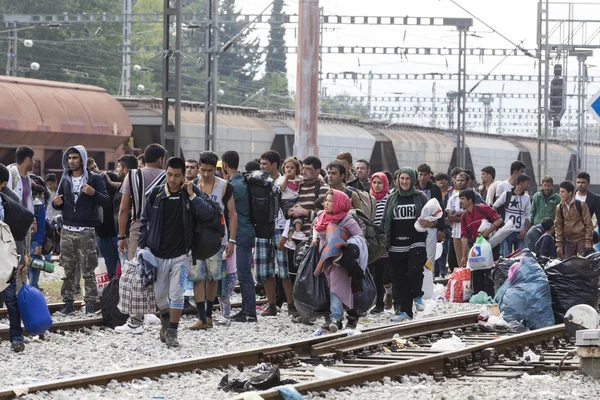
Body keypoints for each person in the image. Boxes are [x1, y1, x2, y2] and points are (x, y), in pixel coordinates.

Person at [138, 157, 214, 347]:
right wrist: (141, 247)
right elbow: (144, 221)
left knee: (177, 294)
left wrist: (193, 196)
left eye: (177, 176)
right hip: (157, 255)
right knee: (160, 296)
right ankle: (165, 319)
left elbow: (207, 214)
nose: (172, 179)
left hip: (182, 255)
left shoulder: (190, 191)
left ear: (184, 176)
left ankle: (172, 330)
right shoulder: (155, 193)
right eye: (169, 175)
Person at [53, 146, 110, 314]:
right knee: (67, 269)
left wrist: (93, 193)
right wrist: (56, 204)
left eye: (75, 158)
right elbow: (59, 202)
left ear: (83, 159)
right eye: (69, 158)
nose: (71, 161)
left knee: (88, 269)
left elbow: (106, 201)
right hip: (67, 229)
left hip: (86, 230)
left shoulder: (95, 179)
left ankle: (90, 304)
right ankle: (68, 303)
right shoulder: (65, 178)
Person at [116, 144, 167, 334]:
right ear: (161, 159)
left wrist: (122, 235)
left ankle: (136, 321)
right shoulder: (168, 176)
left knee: (137, 272)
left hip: (139, 227)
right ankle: (156, 313)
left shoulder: (133, 175)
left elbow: (123, 208)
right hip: (163, 230)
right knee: (162, 271)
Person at [189, 151, 237, 330]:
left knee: (213, 278)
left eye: (210, 170)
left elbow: (232, 214)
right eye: (203, 170)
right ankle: (202, 317)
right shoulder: (194, 184)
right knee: (197, 278)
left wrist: (232, 239)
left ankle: (209, 315)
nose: (207, 174)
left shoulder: (224, 186)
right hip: (196, 239)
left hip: (217, 239)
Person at [382, 167, 432, 322]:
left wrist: (429, 222)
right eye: (401, 178)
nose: (404, 181)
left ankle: (417, 295)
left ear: (413, 180)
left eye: (407, 179)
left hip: (416, 242)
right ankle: (405, 312)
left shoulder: (420, 197)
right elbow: (385, 220)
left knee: (415, 270)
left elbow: (433, 218)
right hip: (396, 245)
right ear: (397, 180)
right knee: (400, 278)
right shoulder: (391, 198)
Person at [312, 189, 365, 331]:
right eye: (326, 200)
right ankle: (338, 317)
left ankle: (335, 317)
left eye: (331, 201)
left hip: (339, 260)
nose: (326, 203)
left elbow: (359, 237)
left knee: (336, 287)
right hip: (323, 258)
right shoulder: (321, 216)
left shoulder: (347, 219)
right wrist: (315, 239)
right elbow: (316, 229)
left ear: (339, 204)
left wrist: (343, 244)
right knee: (328, 286)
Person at [256, 150, 299, 317]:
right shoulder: (259, 182)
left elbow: (290, 207)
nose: (262, 167)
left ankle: (291, 305)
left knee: (284, 270)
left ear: (274, 165)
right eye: (261, 164)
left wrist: (286, 232)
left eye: (265, 164)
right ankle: (272, 304)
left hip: (281, 227)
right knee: (265, 269)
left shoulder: (285, 182)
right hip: (263, 228)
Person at [222, 150, 257, 323]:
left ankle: (249, 312)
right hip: (248, 230)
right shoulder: (243, 181)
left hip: (242, 232)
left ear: (225, 165)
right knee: (244, 272)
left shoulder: (233, 186)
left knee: (244, 273)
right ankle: (246, 309)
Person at [458, 190, 503, 296]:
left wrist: (488, 230)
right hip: (477, 246)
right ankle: (479, 296)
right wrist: (464, 256)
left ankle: (491, 295)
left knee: (489, 270)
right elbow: (464, 237)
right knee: (476, 270)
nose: (461, 202)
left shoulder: (482, 209)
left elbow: (498, 220)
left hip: (490, 244)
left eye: (463, 199)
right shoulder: (464, 217)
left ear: (470, 200)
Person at [368, 172, 392, 313]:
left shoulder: (390, 198)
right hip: (374, 243)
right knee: (377, 275)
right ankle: (379, 304)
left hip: (387, 242)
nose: (377, 186)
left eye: (380, 183)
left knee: (388, 273)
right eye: (374, 183)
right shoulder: (368, 198)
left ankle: (390, 294)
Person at [494, 174, 531, 256]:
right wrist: (497, 223)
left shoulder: (527, 197)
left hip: (520, 232)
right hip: (507, 232)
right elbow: (495, 207)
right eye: (527, 183)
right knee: (506, 257)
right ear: (521, 183)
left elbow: (528, 215)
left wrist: (525, 230)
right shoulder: (506, 194)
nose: (528, 186)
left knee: (521, 257)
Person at [556, 180, 593, 259]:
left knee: (581, 265)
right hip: (569, 241)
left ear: (570, 193)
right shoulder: (559, 207)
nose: (560, 194)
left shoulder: (581, 205)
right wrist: (559, 245)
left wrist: (588, 241)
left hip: (582, 239)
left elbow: (588, 224)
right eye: (560, 191)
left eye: (563, 192)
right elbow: (558, 226)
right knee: (568, 265)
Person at [96, 167, 121, 280]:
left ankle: (112, 285)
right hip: (109, 233)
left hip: (112, 233)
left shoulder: (103, 186)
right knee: (116, 263)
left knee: (110, 264)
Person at [277, 157, 304, 250]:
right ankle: (297, 232)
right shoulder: (283, 178)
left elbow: (306, 180)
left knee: (294, 220)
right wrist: (287, 178)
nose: (289, 169)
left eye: (292, 167)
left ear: (297, 169)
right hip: (286, 202)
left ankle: (291, 239)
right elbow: (283, 188)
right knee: (294, 216)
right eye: (287, 167)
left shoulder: (299, 178)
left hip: (296, 201)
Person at [446, 172, 469, 270]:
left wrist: (457, 214)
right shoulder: (453, 198)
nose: (459, 183)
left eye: (462, 180)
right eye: (458, 180)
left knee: (470, 261)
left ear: (467, 182)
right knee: (460, 262)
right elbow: (450, 217)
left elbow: (474, 215)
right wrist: (464, 215)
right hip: (456, 233)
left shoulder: (474, 196)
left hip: (469, 234)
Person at [28, 183, 47, 289]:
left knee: (30, 268)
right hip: (35, 242)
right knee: (34, 269)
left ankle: (32, 289)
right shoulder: (39, 206)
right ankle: (33, 290)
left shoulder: (24, 203)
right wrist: (39, 244)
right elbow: (41, 227)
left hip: (26, 241)